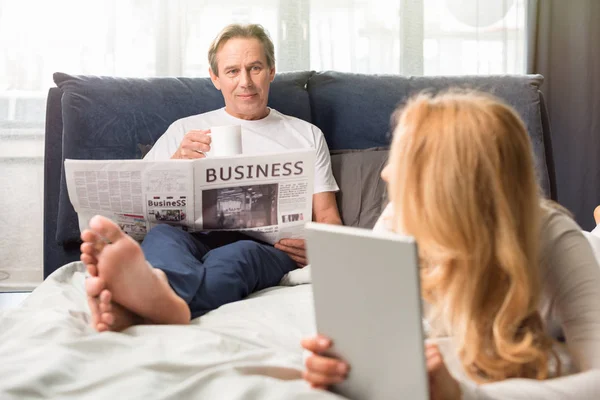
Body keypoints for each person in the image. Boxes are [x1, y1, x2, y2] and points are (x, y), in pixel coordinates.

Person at [301, 91, 600, 399]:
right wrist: (333, 363)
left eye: (400, 159)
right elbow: (365, 332)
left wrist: (465, 394)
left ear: (446, 184)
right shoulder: (397, 222)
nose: (385, 173)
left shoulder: (554, 238)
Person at [80, 23, 342, 332]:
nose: (245, 82)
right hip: (189, 235)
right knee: (162, 238)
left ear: (271, 70)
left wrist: (320, 249)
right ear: (215, 78)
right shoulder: (184, 130)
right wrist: (177, 161)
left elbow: (328, 217)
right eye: (232, 71)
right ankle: (159, 291)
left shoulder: (306, 135)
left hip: (268, 247)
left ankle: (145, 306)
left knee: (237, 258)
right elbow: (139, 204)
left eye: (254, 68)